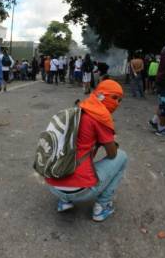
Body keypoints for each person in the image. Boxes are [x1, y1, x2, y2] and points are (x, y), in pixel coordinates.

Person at [45, 79, 128, 222]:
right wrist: (109, 141)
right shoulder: (100, 117)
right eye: (114, 98)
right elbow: (112, 153)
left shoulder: (77, 109)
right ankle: (102, 207)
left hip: (53, 183)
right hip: (79, 190)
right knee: (122, 156)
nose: (117, 103)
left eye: (120, 100)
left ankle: (64, 200)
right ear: (101, 95)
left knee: (75, 154)